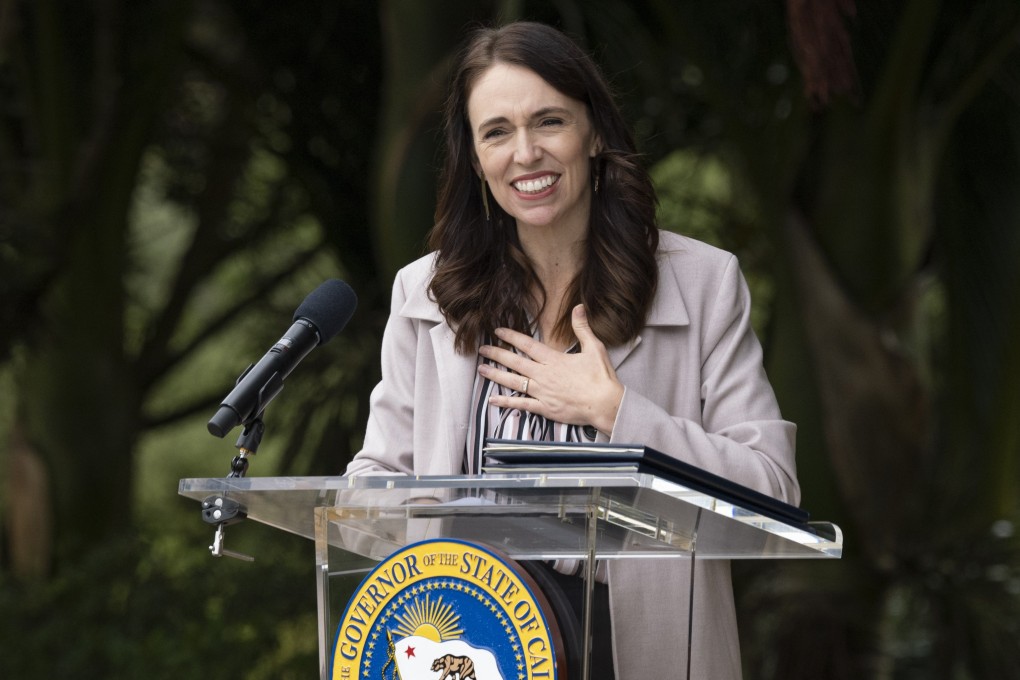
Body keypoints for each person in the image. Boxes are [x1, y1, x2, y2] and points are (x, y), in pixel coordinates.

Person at [344, 20, 799, 680]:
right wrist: (427, 518)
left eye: (549, 121)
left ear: (593, 134)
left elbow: (773, 494)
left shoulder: (701, 283)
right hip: (475, 641)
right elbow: (367, 491)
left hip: (635, 648)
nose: (525, 152)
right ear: (475, 159)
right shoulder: (426, 294)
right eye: (497, 132)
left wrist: (617, 413)